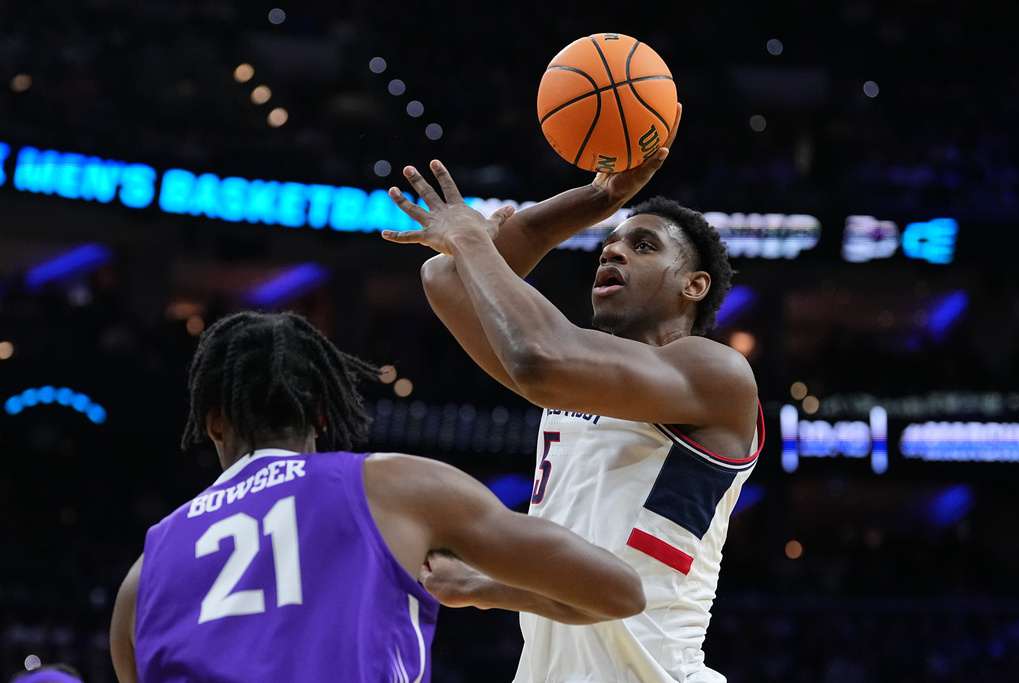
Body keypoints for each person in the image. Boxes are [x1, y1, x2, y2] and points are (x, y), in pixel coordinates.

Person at [381, 107, 763, 682]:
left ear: (694, 284)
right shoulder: (579, 379)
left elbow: (536, 357)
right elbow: (446, 279)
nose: (612, 251)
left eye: (643, 245)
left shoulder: (713, 373)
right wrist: (596, 199)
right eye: (607, 243)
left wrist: (471, 237)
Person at [108, 310, 645, 683]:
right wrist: (485, 589)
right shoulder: (394, 486)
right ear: (321, 413)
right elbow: (620, 592)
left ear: (214, 424)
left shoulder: (142, 574)